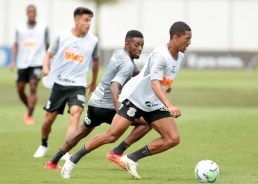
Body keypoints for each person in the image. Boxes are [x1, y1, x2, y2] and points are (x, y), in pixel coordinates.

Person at [61, 21, 192, 179]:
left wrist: (166, 87)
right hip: (135, 99)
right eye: (187, 38)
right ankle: (72, 160)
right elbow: (154, 83)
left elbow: (160, 80)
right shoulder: (161, 55)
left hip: (153, 103)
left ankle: (131, 158)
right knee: (111, 135)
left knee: (173, 138)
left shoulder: (180, 56)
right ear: (176, 38)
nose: (189, 42)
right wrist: (169, 105)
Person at [44, 30, 152, 169]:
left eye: (142, 45)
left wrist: (156, 81)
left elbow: (138, 75)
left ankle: (52, 162)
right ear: (127, 44)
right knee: (147, 123)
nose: (140, 49)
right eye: (137, 45)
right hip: (108, 107)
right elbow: (114, 87)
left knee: (81, 131)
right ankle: (117, 152)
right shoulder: (128, 64)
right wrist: (120, 111)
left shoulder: (120, 54)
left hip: (95, 103)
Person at [33, 7, 99, 158]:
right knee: (48, 119)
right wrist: (45, 67)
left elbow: (95, 61)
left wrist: (94, 81)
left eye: (90, 20)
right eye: (85, 20)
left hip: (78, 85)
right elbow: (48, 55)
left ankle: (65, 151)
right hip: (60, 83)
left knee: (75, 115)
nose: (89, 24)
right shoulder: (62, 36)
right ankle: (44, 143)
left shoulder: (93, 40)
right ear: (76, 21)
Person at [9, 4, 50, 125]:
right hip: (22, 63)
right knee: (20, 89)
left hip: (37, 61)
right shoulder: (20, 27)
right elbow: (16, 44)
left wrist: (48, 61)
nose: (31, 14)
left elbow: (47, 44)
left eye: (33, 12)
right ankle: (29, 107)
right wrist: (12, 61)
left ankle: (29, 115)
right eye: (29, 12)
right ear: (27, 14)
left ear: (36, 13)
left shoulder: (43, 27)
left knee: (33, 86)